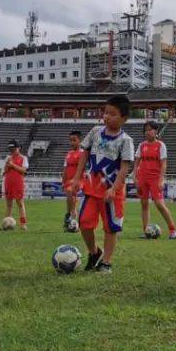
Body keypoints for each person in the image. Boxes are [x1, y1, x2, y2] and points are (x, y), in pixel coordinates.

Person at [68, 95, 134, 273]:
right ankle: (94, 252)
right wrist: (76, 178)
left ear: (124, 118)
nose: (107, 117)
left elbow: (124, 168)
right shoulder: (96, 131)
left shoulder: (126, 140)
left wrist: (114, 188)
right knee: (84, 223)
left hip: (111, 194)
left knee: (110, 228)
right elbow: (85, 155)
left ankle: (106, 261)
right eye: (105, 112)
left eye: (112, 114)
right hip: (91, 189)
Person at [135, 120, 176, 239]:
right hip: (142, 177)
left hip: (155, 178)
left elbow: (164, 164)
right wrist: (135, 177)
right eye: (146, 130)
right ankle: (146, 231)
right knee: (144, 204)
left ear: (156, 131)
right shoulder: (141, 145)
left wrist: (161, 180)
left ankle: (173, 230)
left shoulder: (160, 145)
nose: (147, 132)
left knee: (159, 204)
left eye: (150, 130)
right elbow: (137, 162)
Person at [2, 140, 28, 230]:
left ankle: (23, 224)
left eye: (13, 148)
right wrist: (7, 165)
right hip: (8, 182)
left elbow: (24, 171)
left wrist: (13, 165)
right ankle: (6, 224)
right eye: (10, 149)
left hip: (18, 182)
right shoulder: (8, 158)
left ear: (19, 148)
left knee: (20, 204)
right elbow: (5, 171)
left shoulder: (23, 158)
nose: (12, 150)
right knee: (8, 204)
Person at [62, 129, 82, 231]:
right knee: (69, 197)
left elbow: (81, 169)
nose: (72, 143)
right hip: (68, 181)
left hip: (79, 180)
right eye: (71, 140)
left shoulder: (82, 153)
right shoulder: (68, 153)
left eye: (74, 140)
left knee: (71, 193)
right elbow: (65, 168)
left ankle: (72, 215)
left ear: (80, 140)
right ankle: (69, 217)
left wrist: (75, 180)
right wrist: (63, 181)